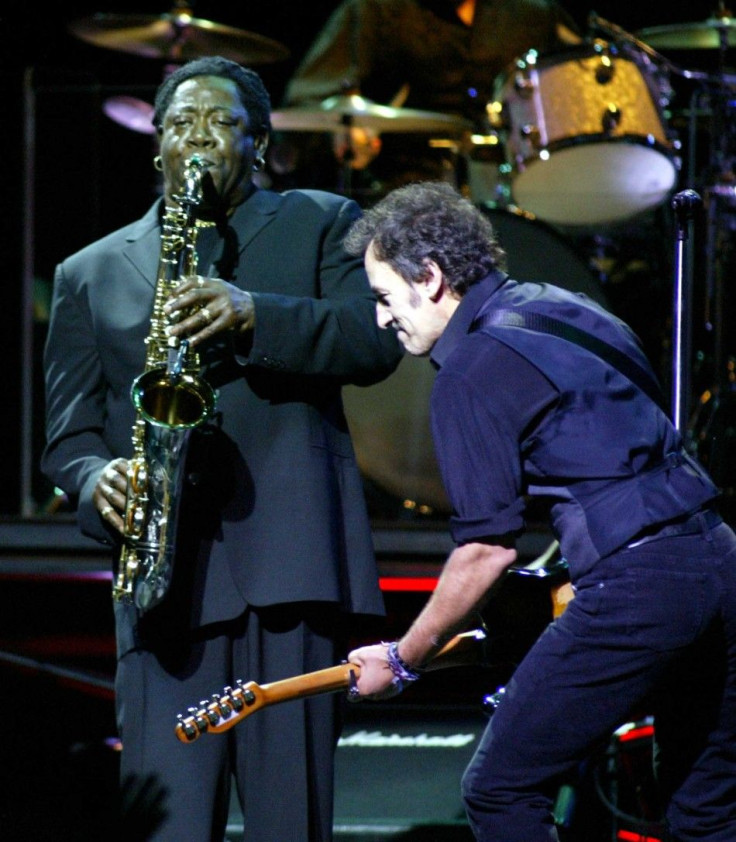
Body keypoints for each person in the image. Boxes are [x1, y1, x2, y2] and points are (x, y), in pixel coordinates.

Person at [41, 56, 402, 841]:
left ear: (260, 142)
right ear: (156, 147)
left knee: (289, 827)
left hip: (295, 572)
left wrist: (253, 314)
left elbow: (374, 343)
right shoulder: (88, 272)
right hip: (163, 590)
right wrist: (96, 476)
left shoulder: (322, 220)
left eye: (219, 122)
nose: (197, 138)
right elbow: (66, 437)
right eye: (180, 123)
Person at [342, 180, 736, 842]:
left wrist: (406, 657)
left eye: (385, 296)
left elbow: (485, 550)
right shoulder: (565, 304)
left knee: (501, 790)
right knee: (706, 808)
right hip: (719, 559)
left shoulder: (470, 369)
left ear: (431, 277)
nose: (383, 317)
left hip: (642, 586)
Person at [273, 0, 582, 199]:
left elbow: (581, 89)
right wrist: (341, 131)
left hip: (519, 187)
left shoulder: (536, 15)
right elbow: (307, 106)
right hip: (405, 187)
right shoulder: (377, 10)